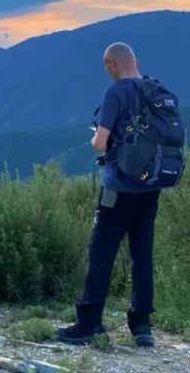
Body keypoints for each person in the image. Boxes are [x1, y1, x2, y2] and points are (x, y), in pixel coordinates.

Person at [57, 42, 160, 348]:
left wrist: (95, 138)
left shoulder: (115, 93)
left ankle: (89, 323)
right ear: (136, 61)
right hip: (151, 186)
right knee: (142, 252)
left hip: (118, 188)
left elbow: (101, 143)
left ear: (110, 65)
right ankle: (142, 326)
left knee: (101, 250)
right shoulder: (155, 90)